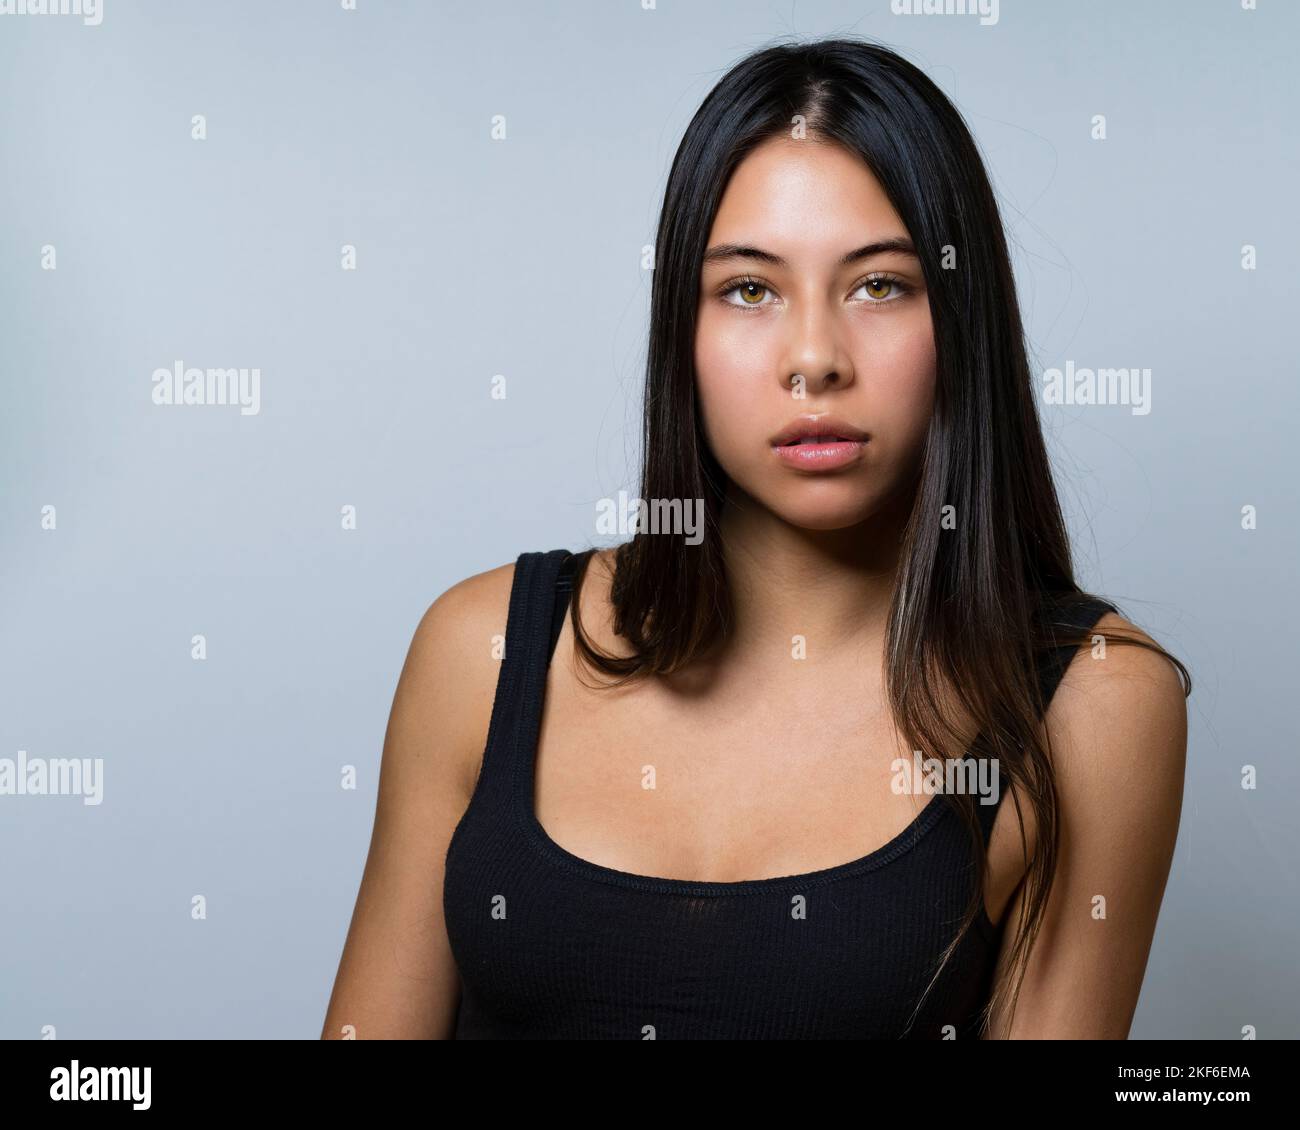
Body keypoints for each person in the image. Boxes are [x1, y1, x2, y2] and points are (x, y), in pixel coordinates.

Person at [322, 36, 1190, 1040]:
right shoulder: (482, 648)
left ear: (961, 317)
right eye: (748, 288)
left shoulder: (1091, 705)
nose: (814, 357)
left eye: (879, 284)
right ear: (679, 331)